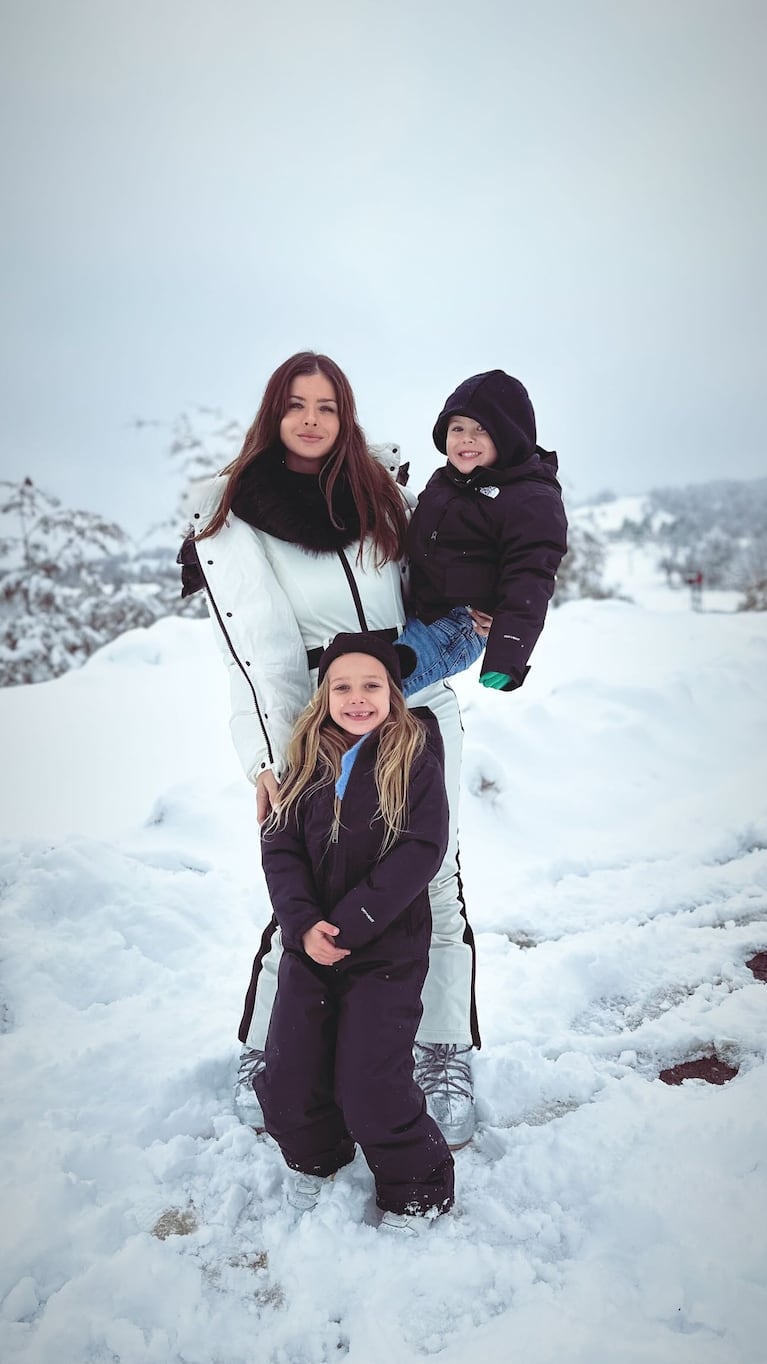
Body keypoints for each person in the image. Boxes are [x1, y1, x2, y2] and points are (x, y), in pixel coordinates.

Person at [179, 352, 481, 1149]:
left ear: (346, 417)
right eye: (296, 405)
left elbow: (442, 585)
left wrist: (485, 601)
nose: (311, 420)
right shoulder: (238, 520)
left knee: (437, 885)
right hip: (319, 719)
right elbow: (251, 657)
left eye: (328, 406)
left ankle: (441, 1049)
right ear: (273, 414)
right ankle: (267, 1051)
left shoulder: (384, 495)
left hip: (414, 705)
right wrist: (268, 761)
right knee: (305, 891)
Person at [256, 632, 454, 1234]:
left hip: (385, 947)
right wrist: (303, 923)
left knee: (369, 1081)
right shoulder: (306, 754)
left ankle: (418, 1189)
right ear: (324, 696)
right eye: (342, 686)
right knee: (289, 1076)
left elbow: (423, 848)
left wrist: (350, 923)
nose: (357, 697)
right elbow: (280, 846)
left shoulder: (414, 753)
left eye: (372, 685)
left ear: (393, 693)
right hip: (310, 943)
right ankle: (320, 1159)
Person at [406, 369, 568, 693]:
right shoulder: (445, 481)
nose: (466, 438)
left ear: (507, 436)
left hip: (461, 626)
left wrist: (507, 652)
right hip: (419, 606)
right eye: (457, 428)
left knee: (373, 682)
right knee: (354, 668)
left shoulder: (531, 499)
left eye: (481, 429)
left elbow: (530, 577)